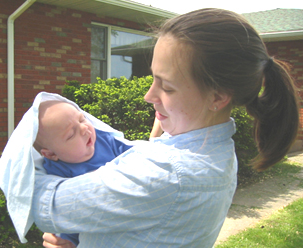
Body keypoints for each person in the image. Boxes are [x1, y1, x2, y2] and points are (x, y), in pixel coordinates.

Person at [33, 8, 299, 248]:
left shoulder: (169, 172)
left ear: (217, 98)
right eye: (153, 79)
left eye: (167, 86)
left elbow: (45, 203)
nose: (149, 95)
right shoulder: (211, 150)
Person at [33, 100, 133, 246]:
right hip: (88, 226)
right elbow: (65, 212)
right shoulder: (56, 170)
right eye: (71, 135)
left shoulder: (104, 140)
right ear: (50, 154)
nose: (84, 128)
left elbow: (135, 155)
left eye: (82, 119)